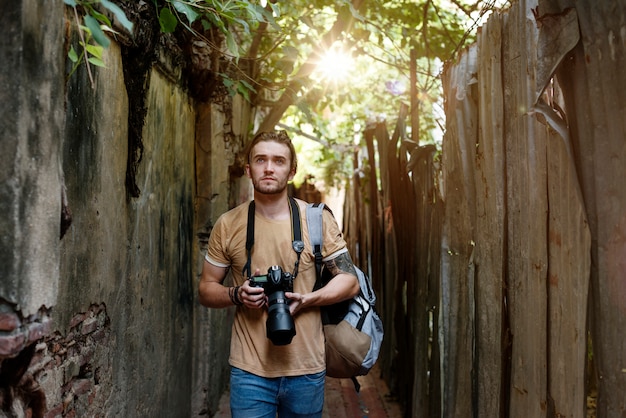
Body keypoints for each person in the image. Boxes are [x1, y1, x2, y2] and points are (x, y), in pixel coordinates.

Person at [198, 130, 360, 418]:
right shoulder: (228, 224)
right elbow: (206, 289)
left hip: (307, 368)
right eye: (260, 160)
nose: (269, 168)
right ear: (248, 169)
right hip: (249, 370)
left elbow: (349, 282)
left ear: (292, 170)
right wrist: (237, 294)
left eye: (278, 161)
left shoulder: (316, 219)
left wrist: (308, 300)